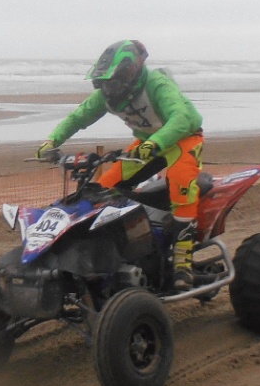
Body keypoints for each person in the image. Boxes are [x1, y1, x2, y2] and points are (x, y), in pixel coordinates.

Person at [36, 40, 204, 291]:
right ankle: (114, 250)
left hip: (183, 139)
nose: (108, 89)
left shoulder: (157, 85)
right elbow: (78, 117)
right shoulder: (106, 95)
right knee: (103, 189)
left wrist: (155, 143)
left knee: (182, 186)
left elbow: (180, 118)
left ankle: (183, 262)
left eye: (112, 83)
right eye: (103, 83)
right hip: (148, 142)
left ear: (130, 74)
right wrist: (52, 140)